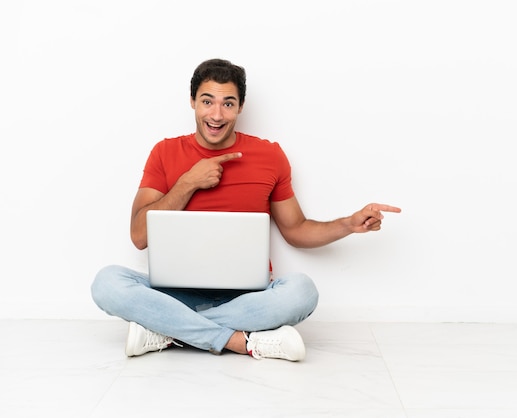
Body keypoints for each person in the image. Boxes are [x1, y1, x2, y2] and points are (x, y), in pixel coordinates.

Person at [91, 58, 401, 362]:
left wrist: (348, 223)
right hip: (176, 293)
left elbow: (295, 229)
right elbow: (139, 235)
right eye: (207, 101)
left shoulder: (270, 155)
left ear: (240, 107)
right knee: (107, 283)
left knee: (302, 291)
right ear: (192, 102)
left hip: (248, 298)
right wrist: (188, 182)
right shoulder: (165, 152)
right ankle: (240, 341)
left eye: (228, 103)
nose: (216, 114)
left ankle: (169, 332)